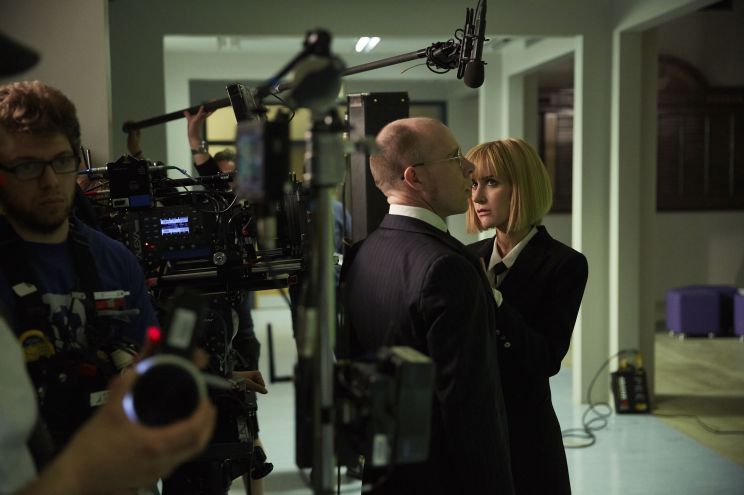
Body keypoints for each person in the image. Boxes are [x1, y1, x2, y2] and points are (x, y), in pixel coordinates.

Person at [342, 117, 514, 494]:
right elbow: (470, 411)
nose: (469, 169)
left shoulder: (365, 253)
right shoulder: (447, 268)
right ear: (414, 177)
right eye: (455, 157)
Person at [0, 80, 160, 448]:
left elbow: (150, 364)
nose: (50, 181)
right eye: (27, 166)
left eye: (61, 161)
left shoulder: (114, 260)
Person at [465, 138, 588, 495]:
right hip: (470, 430)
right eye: (473, 184)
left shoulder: (565, 264)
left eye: (491, 182)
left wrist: (495, 301)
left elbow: (546, 358)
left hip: (526, 436)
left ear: (523, 187)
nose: (477, 197)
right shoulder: (466, 257)